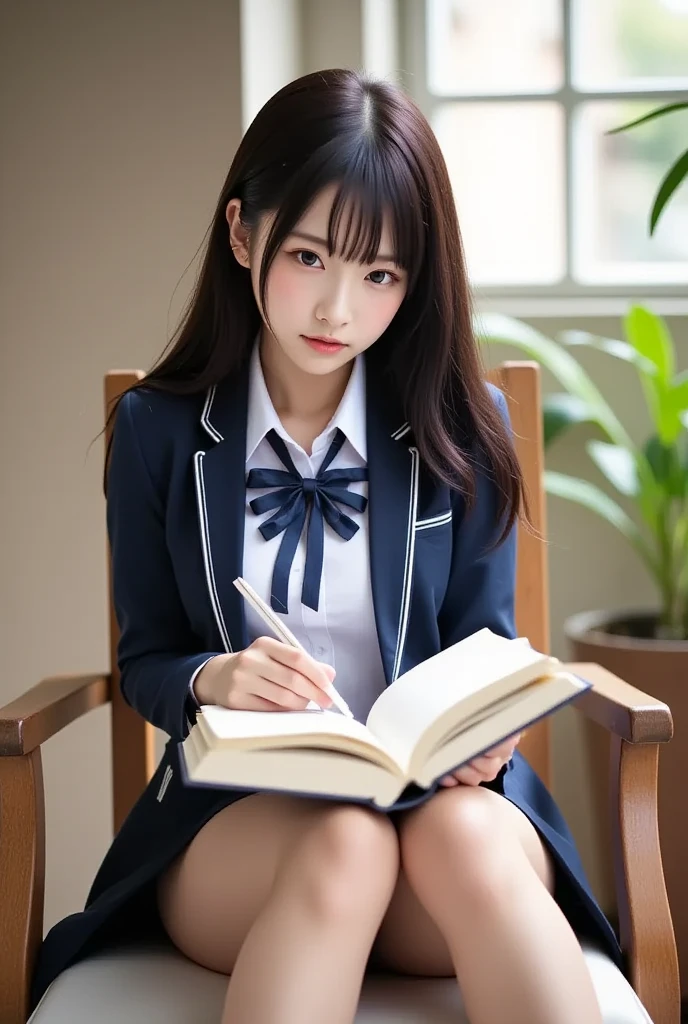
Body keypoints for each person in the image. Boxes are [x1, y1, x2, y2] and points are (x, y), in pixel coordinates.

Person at [32, 69, 621, 1024]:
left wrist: (488, 735)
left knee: (462, 843)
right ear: (240, 234)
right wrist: (210, 680)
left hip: (441, 838)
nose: (337, 310)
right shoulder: (158, 433)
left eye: (380, 274)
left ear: (414, 281)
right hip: (244, 838)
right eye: (309, 257)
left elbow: (487, 647)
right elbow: (145, 661)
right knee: (346, 842)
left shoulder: (464, 432)